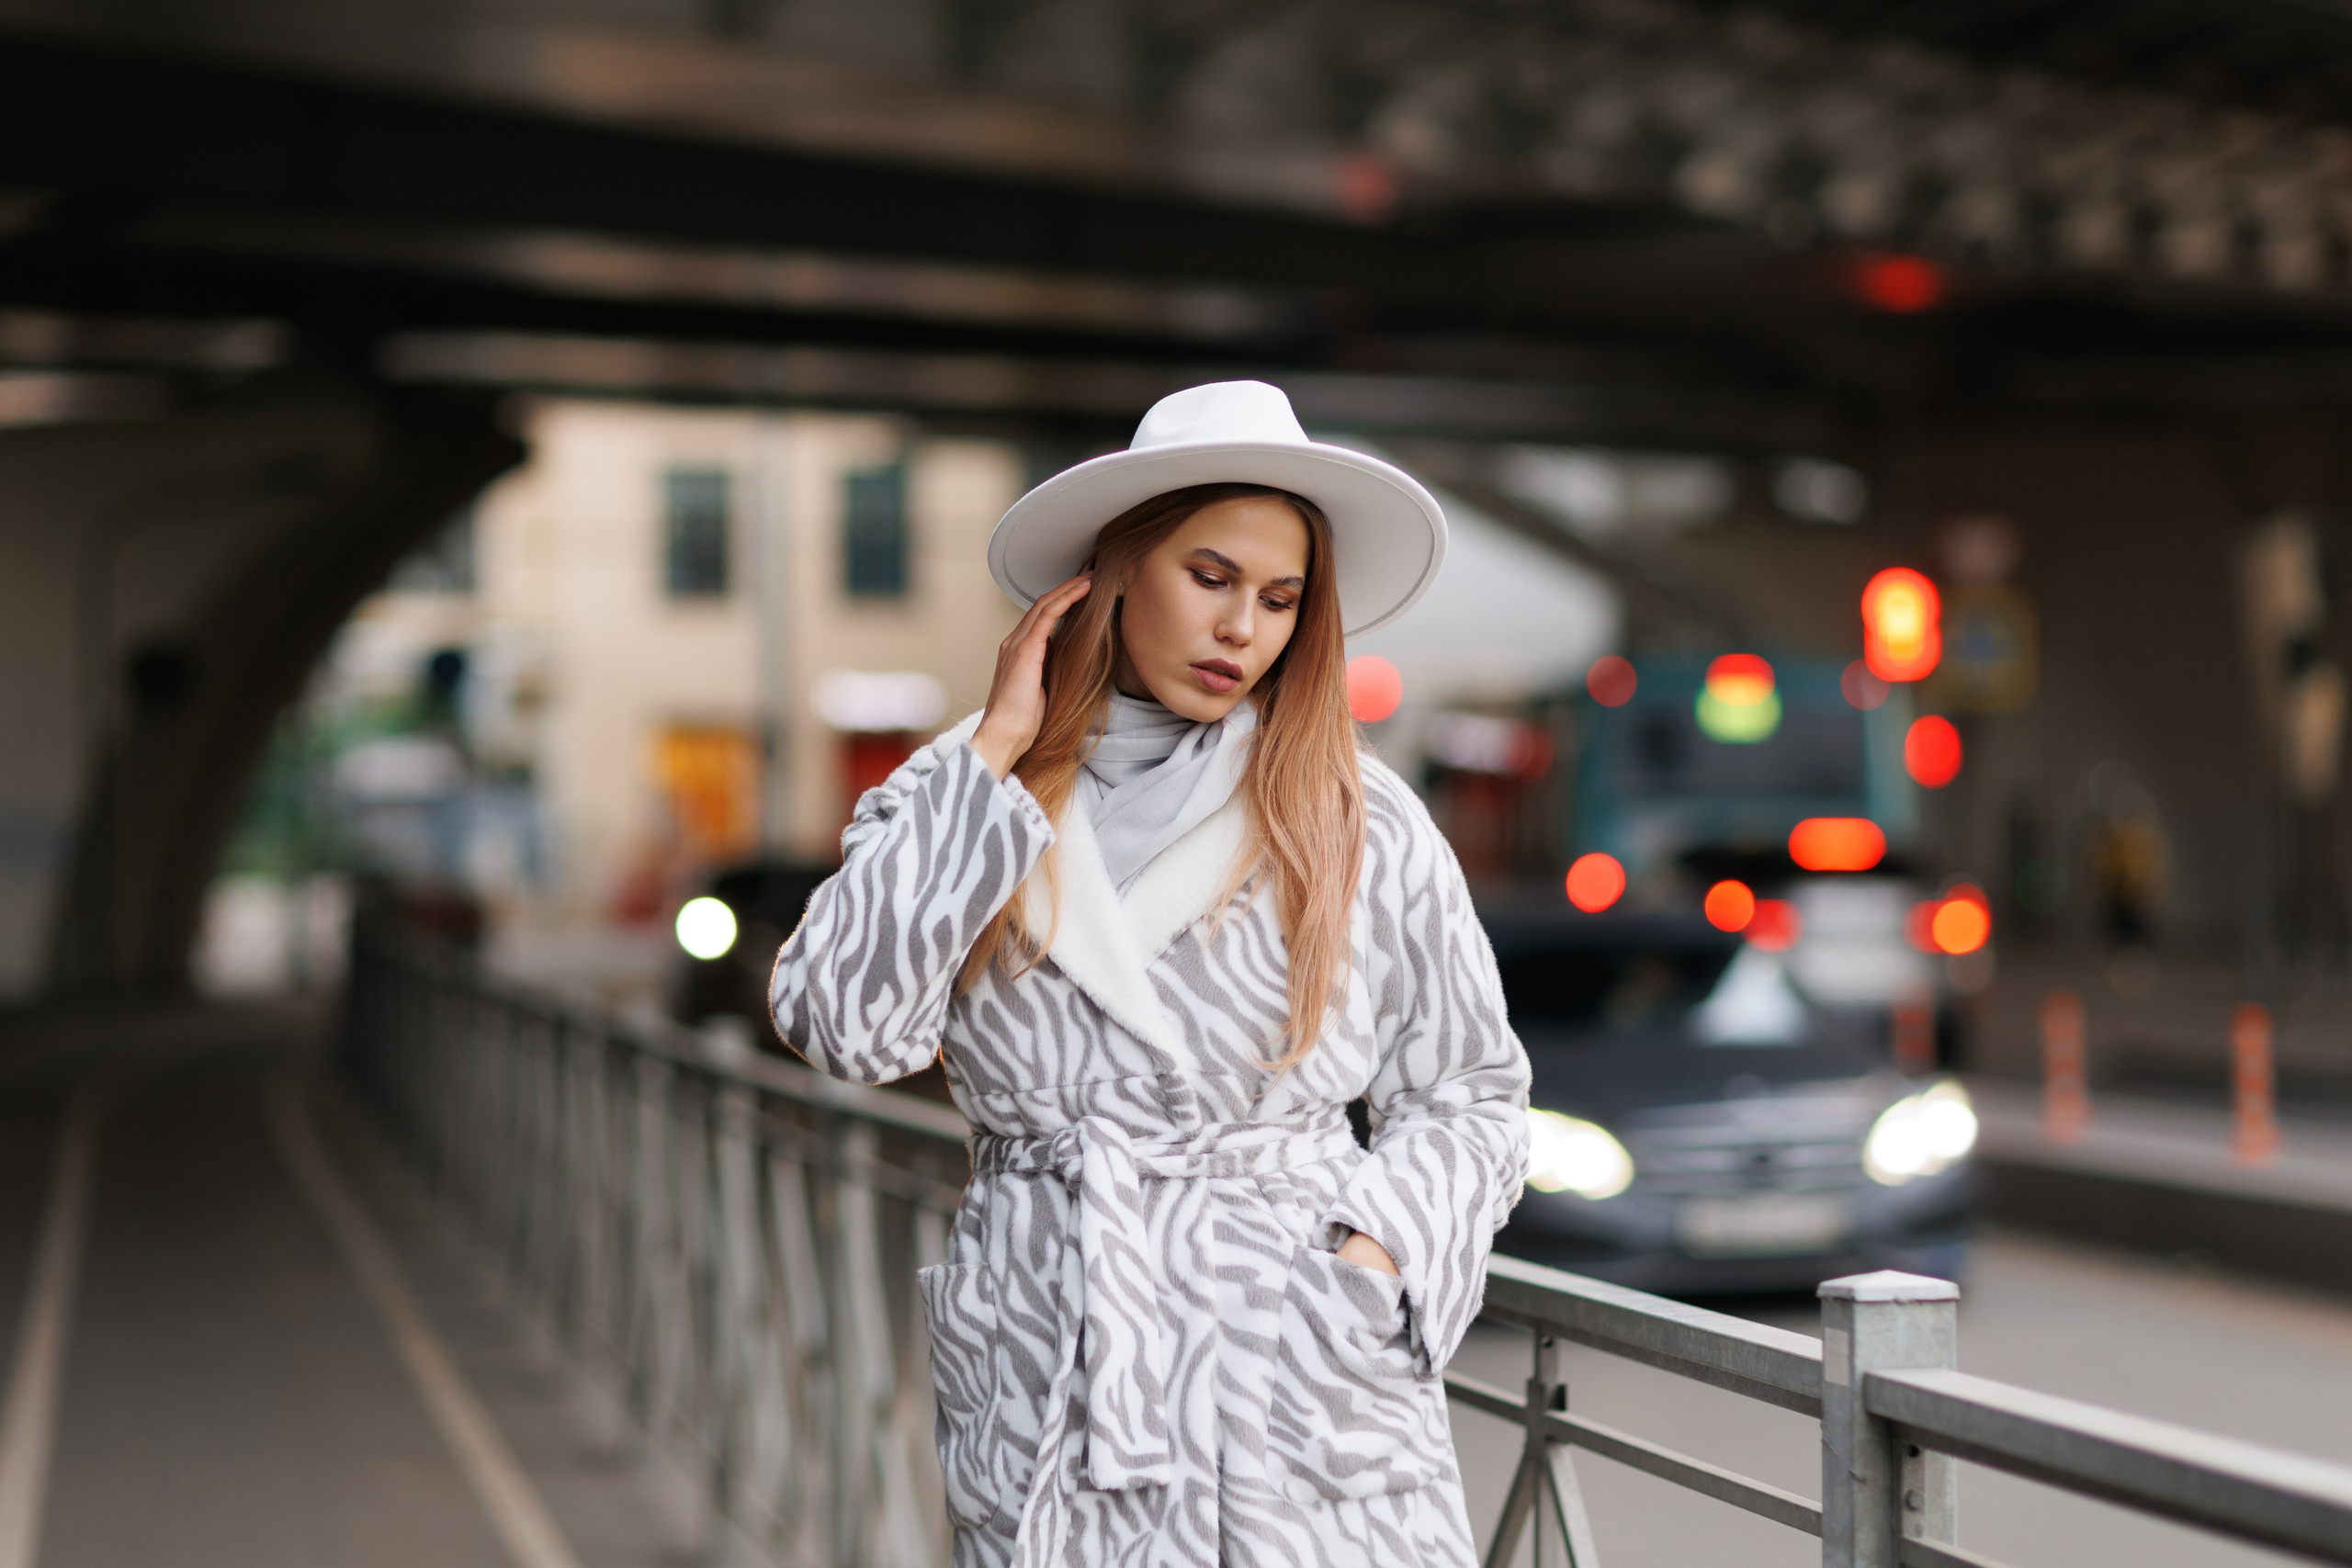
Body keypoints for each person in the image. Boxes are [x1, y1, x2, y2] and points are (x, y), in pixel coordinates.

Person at [770, 381, 1532, 1567]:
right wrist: (995, 750)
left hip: (1299, 1365)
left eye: (1279, 599)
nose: (1242, 630)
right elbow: (839, 1026)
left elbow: (1472, 1092)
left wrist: (1372, 1259)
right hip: (1056, 1341)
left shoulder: (1357, 813)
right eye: (1210, 576)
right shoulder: (958, 789)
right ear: (1116, 572)